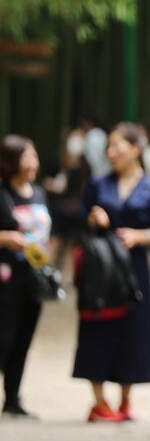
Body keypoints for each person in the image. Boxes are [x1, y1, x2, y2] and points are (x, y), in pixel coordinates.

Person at [73, 123, 150, 422]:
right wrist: (93, 218)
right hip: (100, 267)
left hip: (134, 268)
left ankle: (126, 400)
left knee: (133, 330)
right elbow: (80, 218)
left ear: (136, 149)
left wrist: (144, 236)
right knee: (97, 327)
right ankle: (99, 402)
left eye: (117, 145)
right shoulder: (98, 184)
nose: (111, 152)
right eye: (109, 146)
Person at [0, 135, 52, 420]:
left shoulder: (40, 194)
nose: (33, 163)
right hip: (5, 277)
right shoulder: (2, 194)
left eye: (34, 156)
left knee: (23, 338)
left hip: (33, 277)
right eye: (26, 157)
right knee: (4, 338)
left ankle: (12, 399)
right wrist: (6, 238)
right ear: (11, 161)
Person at [42, 127, 91, 270]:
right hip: (58, 209)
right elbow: (47, 183)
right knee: (55, 242)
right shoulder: (58, 161)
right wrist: (53, 185)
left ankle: (67, 278)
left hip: (75, 212)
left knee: (71, 247)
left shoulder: (85, 166)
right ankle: (47, 273)